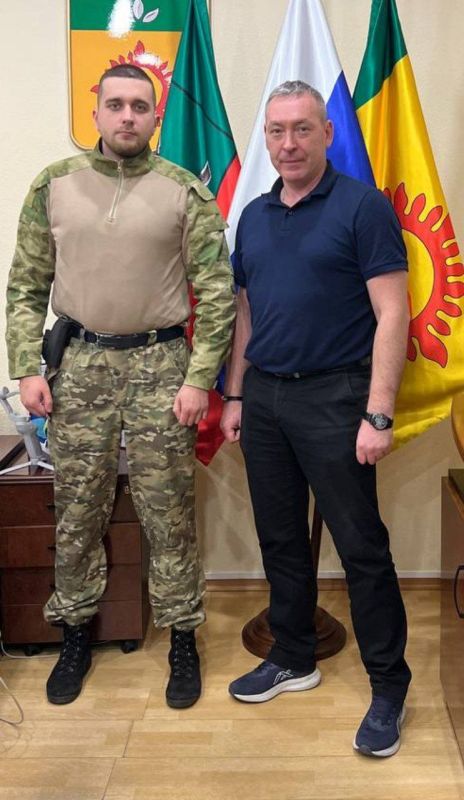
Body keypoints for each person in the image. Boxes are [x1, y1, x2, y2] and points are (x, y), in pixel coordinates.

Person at [6, 64, 235, 709]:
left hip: (163, 367)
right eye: (116, 104)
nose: (127, 115)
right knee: (78, 507)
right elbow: (25, 285)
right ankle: (75, 630)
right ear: (97, 112)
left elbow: (218, 293)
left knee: (169, 511)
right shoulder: (53, 186)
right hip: (80, 365)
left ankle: (182, 635)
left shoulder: (184, 191)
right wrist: (27, 366)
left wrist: (200, 379)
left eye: (140, 105)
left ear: (155, 115)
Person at [221, 80, 411, 758]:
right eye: (277, 131)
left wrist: (378, 414)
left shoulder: (363, 208)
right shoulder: (254, 216)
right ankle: (294, 655)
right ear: (266, 139)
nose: (289, 143)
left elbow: (393, 312)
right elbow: (246, 313)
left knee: (362, 549)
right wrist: (235, 395)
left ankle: (389, 686)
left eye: (302, 128)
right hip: (266, 400)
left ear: (327, 133)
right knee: (280, 539)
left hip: (337, 398)